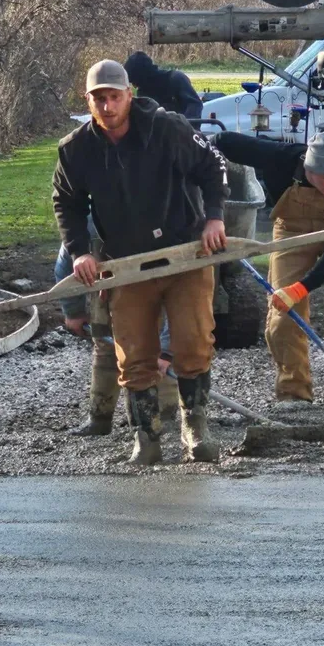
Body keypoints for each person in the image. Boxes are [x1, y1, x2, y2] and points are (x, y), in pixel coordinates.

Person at [52, 59, 228, 465]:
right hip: (127, 262)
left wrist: (215, 217)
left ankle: (195, 430)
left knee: (193, 343)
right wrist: (80, 251)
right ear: (88, 101)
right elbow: (67, 202)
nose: (108, 106)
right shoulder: (76, 149)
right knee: (132, 353)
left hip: (184, 253)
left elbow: (213, 165)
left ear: (129, 95)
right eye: (99, 98)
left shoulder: (167, 128)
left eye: (115, 97)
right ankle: (146, 438)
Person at [212, 129, 324, 406]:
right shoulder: (279, 157)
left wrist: (302, 288)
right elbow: (222, 141)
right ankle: (294, 394)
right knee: (283, 308)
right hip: (291, 230)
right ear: (309, 170)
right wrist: (200, 154)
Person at [54, 235, 179, 434]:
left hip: (159, 281)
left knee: (157, 355)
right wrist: (73, 311)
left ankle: (163, 417)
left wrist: (166, 351)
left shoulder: (171, 229)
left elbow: (182, 309)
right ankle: (100, 418)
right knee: (106, 348)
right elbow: (65, 266)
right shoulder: (87, 228)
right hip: (106, 286)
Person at [124, 51, 203, 120]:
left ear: (143, 76)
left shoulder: (176, 79)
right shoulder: (143, 92)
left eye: (135, 82)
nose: (135, 86)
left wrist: (185, 127)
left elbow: (194, 105)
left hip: (184, 128)